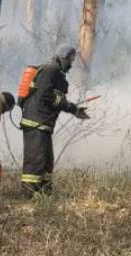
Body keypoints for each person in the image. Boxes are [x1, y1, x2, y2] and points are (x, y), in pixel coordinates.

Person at [18, 44, 89, 194]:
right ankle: (28, 194)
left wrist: (74, 109)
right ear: (63, 57)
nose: (70, 64)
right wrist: (67, 105)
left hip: (43, 124)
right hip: (35, 122)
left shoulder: (56, 73)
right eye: (70, 60)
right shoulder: (50, 69)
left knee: (46, 161)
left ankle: (45, 192)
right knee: (35, 160)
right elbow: (46, 95)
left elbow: (55, 98)